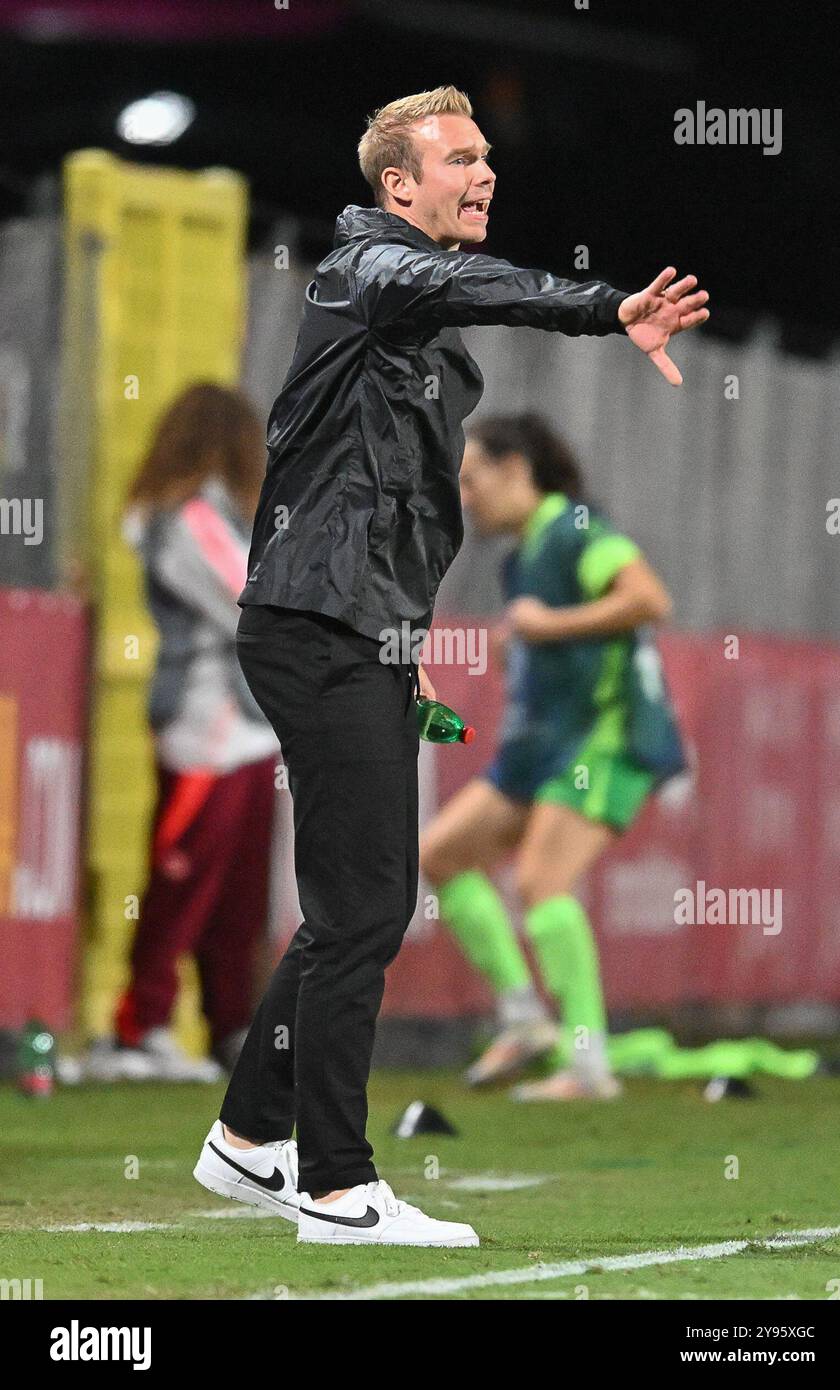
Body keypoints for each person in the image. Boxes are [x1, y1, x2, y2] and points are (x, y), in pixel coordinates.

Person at [193, 84, 708, 1246]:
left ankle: (243, 1140)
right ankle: (333, 1184)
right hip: (312, 620)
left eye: (486, 158)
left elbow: (399, 509)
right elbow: (472, 288)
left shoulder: (409, 313)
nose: (482, 174)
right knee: (364, 902)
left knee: (353, 906)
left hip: (346, 623)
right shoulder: (367, 270)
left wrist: (406, 642)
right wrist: (602, 306)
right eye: (458, 159)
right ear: (397, 187)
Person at [420, 413, 687, 1100]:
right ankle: (523, 1019)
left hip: (605, 736)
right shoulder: (522, 556)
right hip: (542, 744)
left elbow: (648, 599)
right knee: (441, 854)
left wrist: (547, 625)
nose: (466, 497)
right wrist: (527, 639)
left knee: (541, 883)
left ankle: (587, 1064)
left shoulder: (574, 528)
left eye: (473, 480)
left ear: (516, 470)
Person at [86, 383, 280, 1083]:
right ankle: (141, 1027)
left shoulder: (208, 513)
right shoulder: (185, 516)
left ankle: (230, 1028)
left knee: (237, 899)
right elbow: (250, 603)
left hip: (249, 729)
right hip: (209, 728)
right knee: (180, 883)